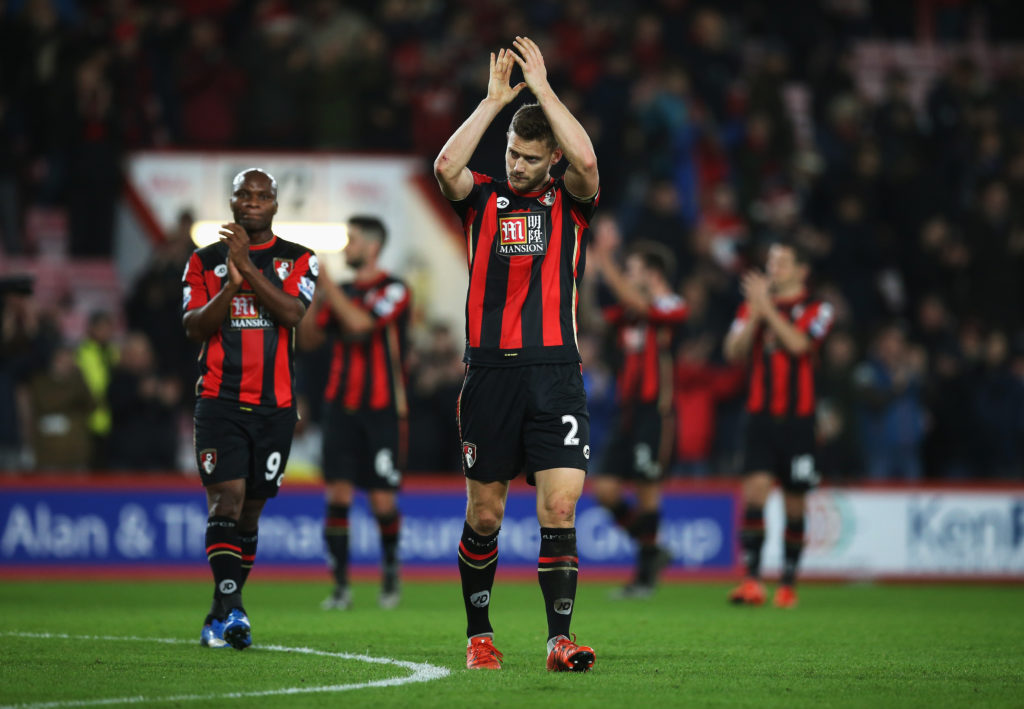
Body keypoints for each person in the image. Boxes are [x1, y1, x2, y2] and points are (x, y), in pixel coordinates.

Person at [433, 37, 599, 672]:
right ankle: (480, 636)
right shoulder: (481, 199)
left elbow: (586, 158)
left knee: (559, 506)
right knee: (486, 511)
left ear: (550, 158)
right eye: (511, 153)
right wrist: (492, 101)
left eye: (530, 157)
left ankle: (560, 639)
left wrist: (546, 91)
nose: (517, 165)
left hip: (557, 373)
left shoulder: (570, 204)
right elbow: (445, 167)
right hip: (490, 375)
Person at [182, 168, 318, 650]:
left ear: (276, 204)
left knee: (250, 516)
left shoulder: (301, 259)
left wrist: (247, 267)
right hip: (219, 402)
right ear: (233, 200)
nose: (254, 201)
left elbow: (291, 313)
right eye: (245, 193)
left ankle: (219, 612)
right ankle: (235, 608)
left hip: (275, 409)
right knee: (226, 502)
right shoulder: (203, 262)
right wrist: (228, 283)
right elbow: (196, 327)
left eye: (263, 195)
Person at [297, 216, 410, 611]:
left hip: (382, 412)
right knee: (338, 496)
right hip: (340, 409)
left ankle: (390, 572)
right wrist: (314, 294)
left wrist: (327, 285)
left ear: (373, 247)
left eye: (353, 240)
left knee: (381, 501)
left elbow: (362, 326)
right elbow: (308, 338)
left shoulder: (395, 289)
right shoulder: (339, 291)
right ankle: (342, 586)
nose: (347, 247)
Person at [723, 240, 833, 609]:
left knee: (795, 503)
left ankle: (788, 583)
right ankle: (752, 580)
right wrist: (756, 311)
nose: (774, 269)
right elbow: (733, 352)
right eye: (770, 262)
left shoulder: (818, 308)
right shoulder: (753, 307)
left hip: (799, 421)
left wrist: (765, 307)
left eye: (782, 263)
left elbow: (800, 345)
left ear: (802, 271)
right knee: (754, 492)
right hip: (759, 417)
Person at [589, 240, 688, 598]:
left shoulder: (672, 304)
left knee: (647, 491)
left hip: (656, 413)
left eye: (633, 270)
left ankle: (644, 577)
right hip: (627, 412)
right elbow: (595, 317)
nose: (628, 277)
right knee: (606, 490)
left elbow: (637, 302)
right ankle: (653, 551)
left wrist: (605, 260)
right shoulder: (631, 314)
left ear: (653, 274)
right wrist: (592, 277)